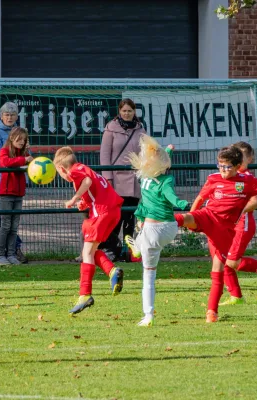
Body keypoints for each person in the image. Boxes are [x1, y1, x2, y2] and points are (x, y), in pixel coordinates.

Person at [175, 146, 257, 323]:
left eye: (227, 167)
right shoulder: (213, 178)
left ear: (238, 166)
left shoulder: (246, 182)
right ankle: (151, 226)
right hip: (208, 217)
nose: (223, 171)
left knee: (223, 267)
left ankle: (213, 310)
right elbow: (201, 198)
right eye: (220, 166)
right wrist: (192, 216)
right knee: (182, 217)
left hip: (224, 229)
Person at [124, 137, 189, 327]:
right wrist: (184, 204)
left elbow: (171, 195)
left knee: (148, 276)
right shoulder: (166, 178)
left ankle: (148, 315)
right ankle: (138, 245)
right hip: (169, 229)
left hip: (152, 231)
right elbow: (171, 197)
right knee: (148, 253)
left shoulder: (144, 178)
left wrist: (182, 203)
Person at [53, 146, 124, 315]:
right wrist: (83, 203)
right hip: (113, 210)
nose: (63, 177)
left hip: (102, 212)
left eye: (59, 173)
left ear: (62, 169)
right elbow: (94, 190)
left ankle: (85, 295)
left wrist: (74, 198)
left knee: (86, 252)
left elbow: (87, 182)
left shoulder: (76, 171)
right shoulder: (86, 168)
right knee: (92, 251)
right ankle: (112, 271)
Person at [221, 142, 257, 305]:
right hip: (229, 224)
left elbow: (255, 201)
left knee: (232, 261)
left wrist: (236, 209)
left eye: (241, 156)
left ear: (249, 158)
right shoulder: (229, 176)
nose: (237, 159)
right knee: (224, 259)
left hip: (242, 224)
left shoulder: (246, 178)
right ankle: (236, 296)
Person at [99, 99, 147, 261]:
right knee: (115, 218)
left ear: (135, 112)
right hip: (116, 181)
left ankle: (128, 251)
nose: (127, 114)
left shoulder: (141, 130)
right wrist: (108, 178)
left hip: (134, 180)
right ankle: (113, 250)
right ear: (119, 111)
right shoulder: (110, 129)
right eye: (124, 111)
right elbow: (104, 156)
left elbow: (146, 152)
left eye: (130, 111)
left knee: (130, 218)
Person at [0, 101, 28, 263]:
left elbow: (26, 158)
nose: (10, 117)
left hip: (17, 184)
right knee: (2, 221)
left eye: (13, 115)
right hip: (1, 181)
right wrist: (21, 160)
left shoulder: (21, 133)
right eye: (7, 114)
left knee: (13, 224)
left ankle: (11, 253)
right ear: (1, 116)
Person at [0, 127, 33, 265]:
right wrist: (24, 159)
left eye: (24, 139)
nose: (22, 142)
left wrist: (27, 157)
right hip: (6, 194)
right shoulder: (4, 151)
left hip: (18, 193)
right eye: (19, 139)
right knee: (5, 225)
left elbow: (30, 163)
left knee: (14, 226)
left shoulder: (23, 153)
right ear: (12, 138)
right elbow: (5, 163)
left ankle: (11, 254)